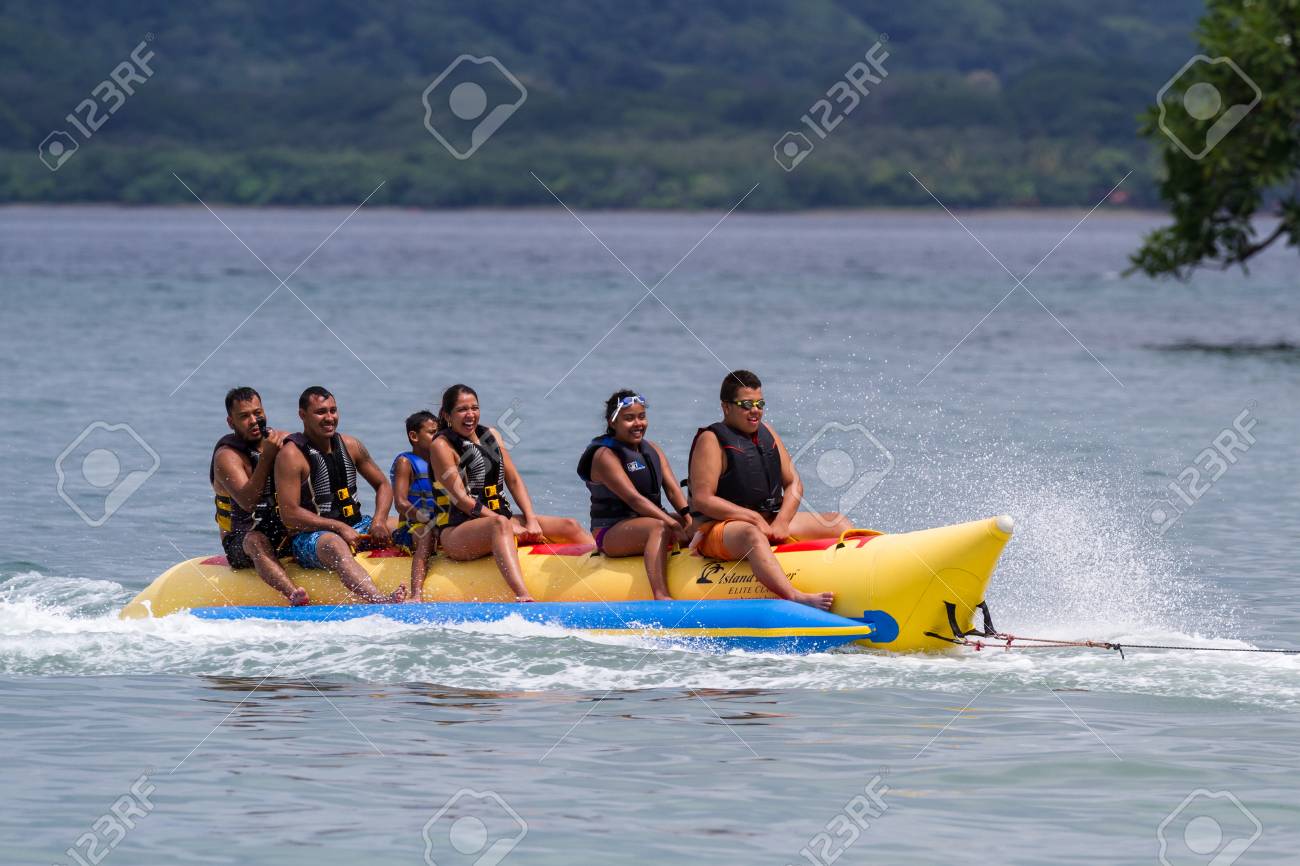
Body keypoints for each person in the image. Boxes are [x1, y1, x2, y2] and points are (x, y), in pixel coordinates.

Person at [687, 370, 852, 610]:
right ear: (726, 407)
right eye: (746, 404)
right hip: (720, 529)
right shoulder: (711, 441)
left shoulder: (768, 433)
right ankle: (794, 596)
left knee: (838, 522)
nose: (755, 410)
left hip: (770, 521)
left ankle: (855, 577)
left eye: (759, 403)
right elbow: (703, 499)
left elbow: (793, 482)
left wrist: (782, 522)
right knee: (751, 535)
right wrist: (753, 518)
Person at [412, 384, 593, 602]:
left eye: (475, 408)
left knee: (569, 525)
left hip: (500, 520)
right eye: (462, 409)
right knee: (500, 525)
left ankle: (599, 574)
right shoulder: (441, 445)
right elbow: (460, 499)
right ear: (447, 415)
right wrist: (507, 524)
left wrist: (531, 519)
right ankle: (523, 595)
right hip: (456, 532)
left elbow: (514, 479)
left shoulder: (492, 435)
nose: (470, 415)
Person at [274, 386, 406, 603]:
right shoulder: (291, 455)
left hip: (358, 526)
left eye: (333, 410)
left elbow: (383, 484)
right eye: (321, 412)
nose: (329, 418)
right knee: (336, 544)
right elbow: (289, 514)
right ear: (302, 415)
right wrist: (338, 527)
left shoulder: (351, 445)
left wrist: (379, 520)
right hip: (311, 537)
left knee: (406, 526)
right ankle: (379, 601)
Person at [576, 390, 690, 600]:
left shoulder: (652, 449)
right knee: (659, 527)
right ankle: (661, 594)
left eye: (642, 416)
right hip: (611, 532)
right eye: (629, 418)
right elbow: (634, 499)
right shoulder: (605, 456)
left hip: (648, 520)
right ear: (612, 422)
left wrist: (689, 520)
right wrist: (673, 524)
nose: (638, 423)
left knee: (697, 524)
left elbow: (674, 491)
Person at [210, 387, 306, 605]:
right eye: (244, 416)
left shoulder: (281, 440)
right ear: (230, 422)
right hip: (241, 540)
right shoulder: (226, 457)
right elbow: (248, 502)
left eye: (258, 413)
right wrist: (267, 458)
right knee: (256, 540)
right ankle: (294, 595)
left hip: (283, 533)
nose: (253, 420)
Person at [390, 410, 439, 552]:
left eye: (439, 433)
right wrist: (428, 522)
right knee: (426, 535)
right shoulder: (405, 463)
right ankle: (419, 573)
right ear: (414, 436)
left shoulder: (441, 463)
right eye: (432, 433)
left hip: (439, 525)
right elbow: (400, 504)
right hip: (412, 528)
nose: (437, 437)